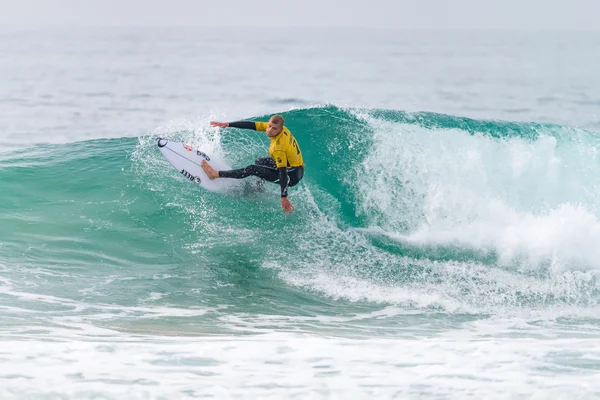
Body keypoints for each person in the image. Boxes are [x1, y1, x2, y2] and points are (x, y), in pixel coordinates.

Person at [202, 114, 304, 215]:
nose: (269, 130)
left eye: (274, 128)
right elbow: (252, 125)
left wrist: (284, 197)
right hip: (293, 167)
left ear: (280, 129)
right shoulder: (281, 129)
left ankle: (215, 174)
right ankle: (257, 189)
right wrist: (228, 124)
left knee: (252, 169)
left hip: (291, 175)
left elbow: (282, 173)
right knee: (260, 162)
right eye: (269, 126)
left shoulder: (278, 147)